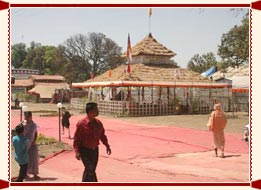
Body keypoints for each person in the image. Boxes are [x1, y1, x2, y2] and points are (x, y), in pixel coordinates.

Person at [73, 102, 111, 182]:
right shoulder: (81, 124)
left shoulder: (98, 123)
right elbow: (77, 139)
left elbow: (102, 135)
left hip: (94, 150)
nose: (98, 111)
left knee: (90, 170)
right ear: (90, 111)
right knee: (90, 169)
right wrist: (77, 152)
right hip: (84, 151)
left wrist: (107, 145)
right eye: (96, 109)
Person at [23, 111, 40, 180]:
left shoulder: (34, 125)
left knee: (34, 158)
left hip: (32, 144)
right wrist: (23, 127)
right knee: (24, 160)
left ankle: (35, 174)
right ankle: (24, 174)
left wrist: (34, 140)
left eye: (28, 116)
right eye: (25, 116)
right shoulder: (22, 124)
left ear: (31, 116)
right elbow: (18, 133)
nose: (26, 118)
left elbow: (36, 133)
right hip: (24, 145)